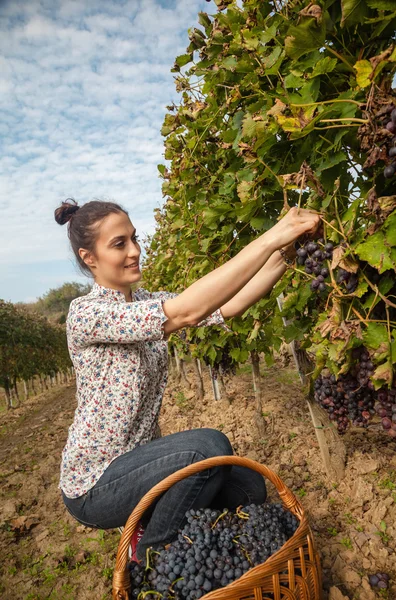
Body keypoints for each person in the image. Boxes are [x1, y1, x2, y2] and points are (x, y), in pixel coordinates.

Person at [55, 197, 320, 562]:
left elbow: (225, 306)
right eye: (119, 244)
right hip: (96, 483)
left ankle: (175, 536)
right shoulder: (87, 314)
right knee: (209, 448)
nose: (134, 251)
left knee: (248, 489)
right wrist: (273, 236)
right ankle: (150, 562)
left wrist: (285, 254)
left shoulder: (144, 301)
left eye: (134, 238)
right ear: (89, 257)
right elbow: (188, 311)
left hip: (142, 463)